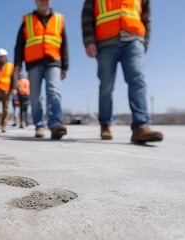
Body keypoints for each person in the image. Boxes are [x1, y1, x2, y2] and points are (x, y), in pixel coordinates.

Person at [82, 0, 163, 143]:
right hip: (105, 41)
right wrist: (89, 41)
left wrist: (144, 43)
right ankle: (105, 124)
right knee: (106, 85)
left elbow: (146, 18)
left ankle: (141, 126)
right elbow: (87, 16)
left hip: (133, 38)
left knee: (137, 79)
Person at [14, 0, 69, 139]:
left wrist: (65, 65)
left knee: (54, 91)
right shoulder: (27, 20)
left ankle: (56, 124)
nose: (43, 2)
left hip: (53, 61)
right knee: (35, 96)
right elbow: (20, 44)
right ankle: (39, 125)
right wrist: (17, 63)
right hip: (34, 63)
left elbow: (64, 44)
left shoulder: (58, 19)